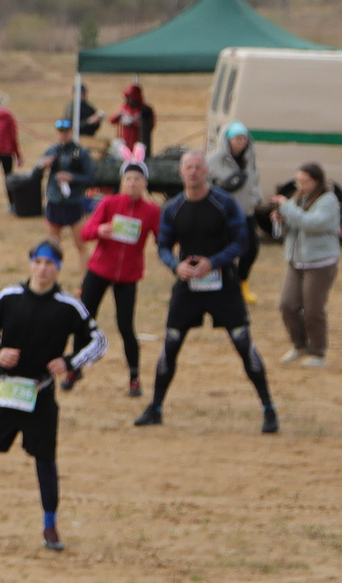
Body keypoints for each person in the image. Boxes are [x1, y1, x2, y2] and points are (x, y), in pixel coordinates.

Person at [0, 243, 105, 552]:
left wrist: (69, 363)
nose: (43, 269)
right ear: (30, 265)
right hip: (2, 389)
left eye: (49, 263)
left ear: (58, 268)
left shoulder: (69, 305)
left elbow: (98, 341)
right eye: (38, 262)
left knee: (45, 459)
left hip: (39, 393)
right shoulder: (9, 296)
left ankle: (50, 524)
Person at [136, 148, 276, 433]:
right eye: (189, 167)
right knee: (171, 344)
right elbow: (162, 245)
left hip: (224, 285)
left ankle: (268, 409)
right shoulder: (173, 208)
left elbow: (241, 243)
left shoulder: (224, 204)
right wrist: (176, 266)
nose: (194, 172)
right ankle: (156, 408)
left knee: (243, 343)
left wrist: (214, 262)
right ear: (181, 172)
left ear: (206, 171)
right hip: (188, 287)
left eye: (199, 166)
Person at [75, 160, 160, 396]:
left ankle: (134, 377)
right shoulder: (109, 204)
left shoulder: (151, 211)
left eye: (137, 180)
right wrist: (100, 230)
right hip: (99, 270)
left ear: (144, 183)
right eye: (128, 179)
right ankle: (74, 368)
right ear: (122, 182)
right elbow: (85, 232)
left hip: (128, 276)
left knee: (125, 326)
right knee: (83, 319)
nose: (132, 183)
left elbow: (163, 237)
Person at [271, 161, 342, 369]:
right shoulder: (298, 199)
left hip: (321, 263)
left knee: (313, 309)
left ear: (317, 181)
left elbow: (313, 224)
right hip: (296, 261)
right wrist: (282, 219)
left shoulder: (328, 200)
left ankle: (318, 352)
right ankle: (299, 345)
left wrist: (287, 208)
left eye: (305, 181)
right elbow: (296, 224)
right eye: (297, 181)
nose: (300, 185)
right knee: (287, 305)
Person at [212, 122, 264, 291]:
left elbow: (254, 181)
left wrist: (256, 198)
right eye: (237, 139)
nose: (241, 142)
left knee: (251, 250)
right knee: (224, 251)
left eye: (244, 139)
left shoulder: (249, 160)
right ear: (228, 140)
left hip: (246, 212)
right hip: (224, 214)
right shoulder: (215, 160)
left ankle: (242, 283)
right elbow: (207, 183)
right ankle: (223, 285)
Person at [41, 118, 92, 257]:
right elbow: (35, 174)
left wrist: (72, 177)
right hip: (54, 201)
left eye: (66, 132)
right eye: (60, 132)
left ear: (72, 132)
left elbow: (90, 178)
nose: (63, 135)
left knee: (81, 245)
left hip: (73, 202)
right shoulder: (51, 151)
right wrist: (42, 166)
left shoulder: (81, 153)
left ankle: (84, 278)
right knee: (52, 247)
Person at [112, 80, 156, 158]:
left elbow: (151, 125)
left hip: (139, 139)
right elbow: (112, 120)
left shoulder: (145, 109)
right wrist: (119, 116)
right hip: (125, 138)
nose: (129, 100)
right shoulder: (124, 107)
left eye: (131, 97)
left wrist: (135, 122)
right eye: (127, 98)